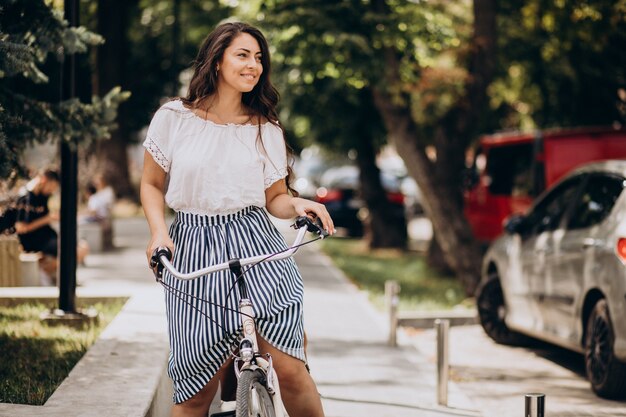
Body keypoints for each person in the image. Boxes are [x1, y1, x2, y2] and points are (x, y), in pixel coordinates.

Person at [141, 22, 334, 417]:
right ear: (216, 61)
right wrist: (159, 232)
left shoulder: (266, 129)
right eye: (243, 55)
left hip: (256, 240)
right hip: (194, 245)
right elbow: (151, 184)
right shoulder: (174, 117)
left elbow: (275, 199)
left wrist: (298, 205)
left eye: (259, 58)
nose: (254, 66)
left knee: (292, 369)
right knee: (195, 390)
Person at [14, 169, 61, 285]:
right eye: (52, 187)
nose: (52, 191)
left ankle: (46, 273)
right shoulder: (25, 197)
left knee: (74, 249)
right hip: (32, 241)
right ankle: (44, 273)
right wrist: (46, 219)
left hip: (46, 238)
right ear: (44, 180)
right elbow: (21, 228)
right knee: (67, 253)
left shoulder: (43, 196)